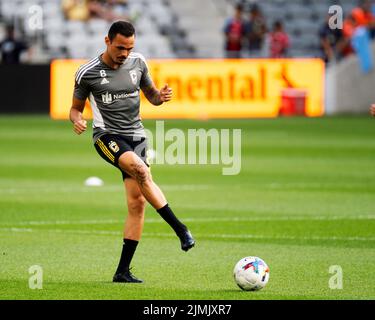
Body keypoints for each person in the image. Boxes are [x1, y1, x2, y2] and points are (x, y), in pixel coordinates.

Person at [69, 21, 195, 283]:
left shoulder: (139, 63)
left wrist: (161, 96)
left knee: (137, 204)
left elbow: (152, 96)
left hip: (136, 136)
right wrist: (77, 119)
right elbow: (75, 108)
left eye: (129, 47)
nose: (124, 53)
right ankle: (180, 229)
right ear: (107, 41)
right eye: (119, 47)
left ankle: (122, 271)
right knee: (141, 170)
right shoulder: (88, 72)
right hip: (107, 136)